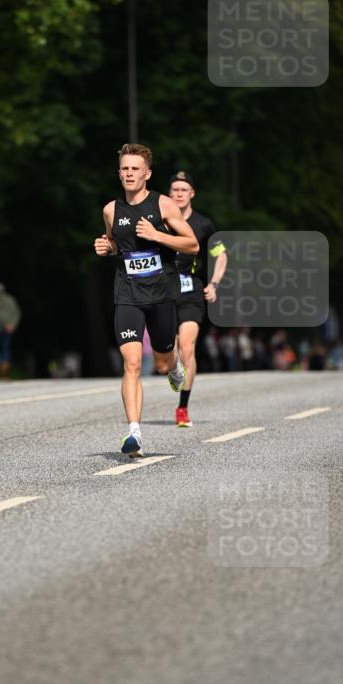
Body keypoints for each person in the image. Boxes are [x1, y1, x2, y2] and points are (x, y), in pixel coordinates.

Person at [94, 143, 198, 457]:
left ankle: (174, 363)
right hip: (127, 294)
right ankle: (134, 433)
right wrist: (106, 247)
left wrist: (157, 235)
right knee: (133, 363)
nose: (129, 174)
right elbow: (115, 243)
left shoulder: (164, 205)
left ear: (147, 174)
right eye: (125, 169)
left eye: (135, 169)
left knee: (164, 364)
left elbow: (191, 244)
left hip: (162, 295)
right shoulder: (111, 209)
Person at [167, 171, 228, 426]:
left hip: (191, 289)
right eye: (175, 190)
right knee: (168, 350)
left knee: (187, 348)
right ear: (169, 195)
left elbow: (221, 255)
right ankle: (173, 369)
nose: (179, 194)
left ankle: (182, 408)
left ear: (192, 194)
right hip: (164, 290)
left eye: (184, 190)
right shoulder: (160, 221)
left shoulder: (204, 225)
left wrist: (214, 284)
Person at [0, 282, 21, 380]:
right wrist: (12, 324)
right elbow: (17, 313)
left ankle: (1, 363)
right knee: (6, 349)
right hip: (9, 328)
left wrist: (6, 324)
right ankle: (4, 366)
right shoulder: (11, 299)